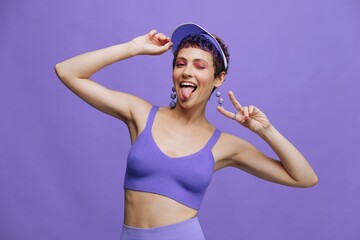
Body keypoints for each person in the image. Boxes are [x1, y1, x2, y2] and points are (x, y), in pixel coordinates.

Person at [55, 22, 318, 240]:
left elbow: (304, 178)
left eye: (199, 66)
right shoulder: (140, 114)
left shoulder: (225, 145)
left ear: (219, 78)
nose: (186, 72)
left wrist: (266, 131)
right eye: (180, 63)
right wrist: (132, 48)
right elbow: (67, 72)